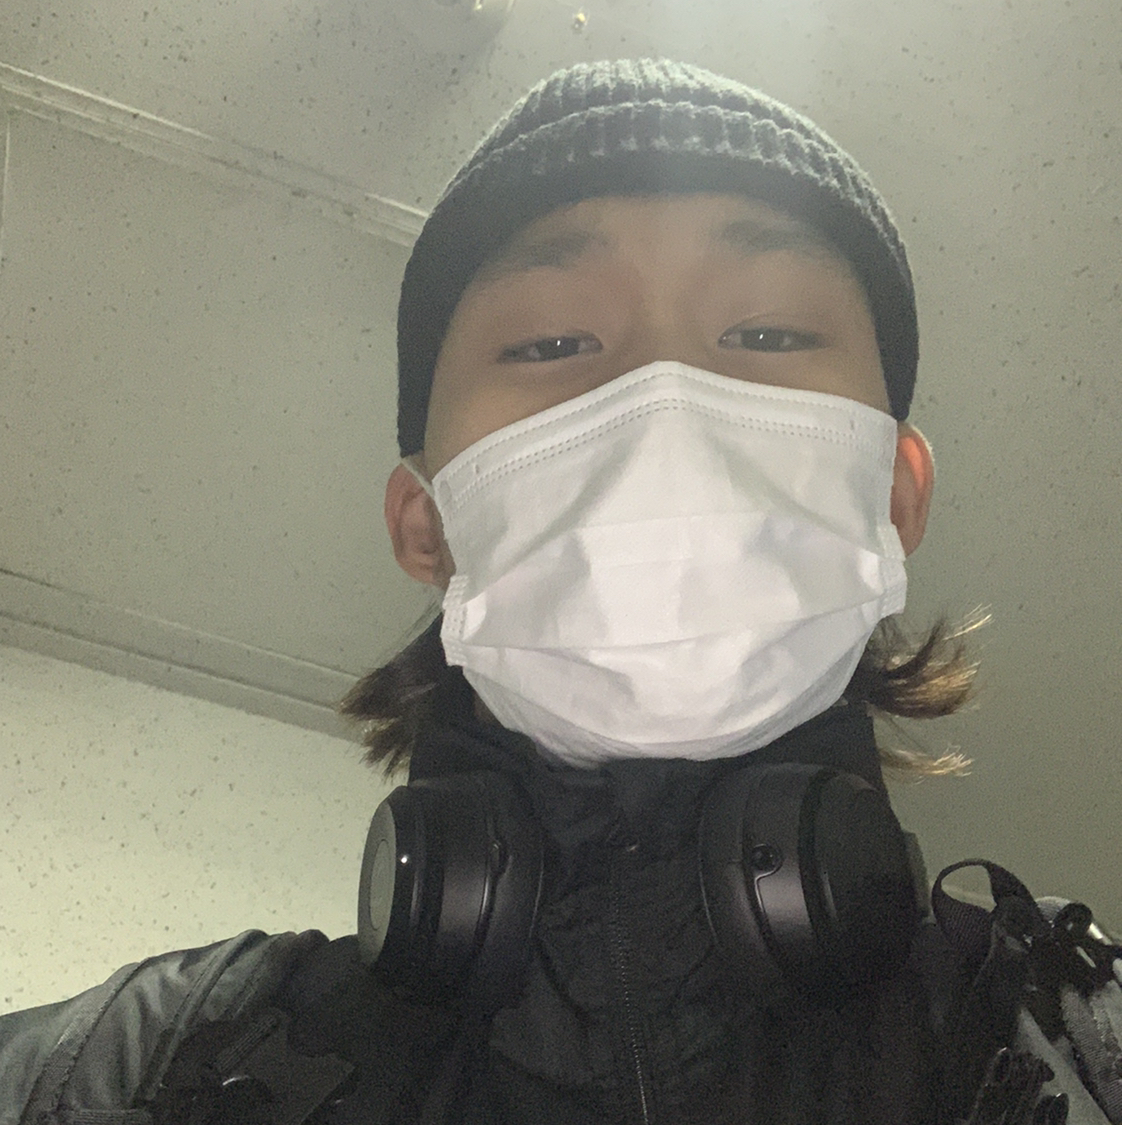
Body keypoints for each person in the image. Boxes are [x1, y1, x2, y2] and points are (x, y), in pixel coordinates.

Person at [3, 59, 1118, 1125]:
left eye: (770, 332)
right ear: (428, 522)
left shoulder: (1086, 1047)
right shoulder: (137, 1066)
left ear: (894, 494)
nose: (662, 399)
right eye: (550, 342)